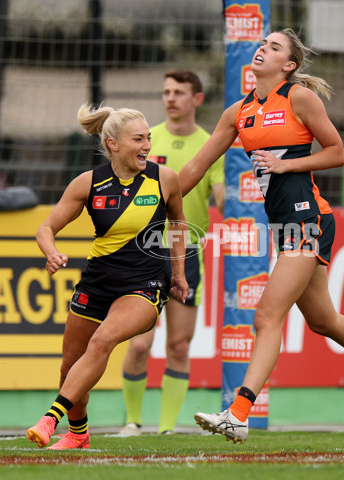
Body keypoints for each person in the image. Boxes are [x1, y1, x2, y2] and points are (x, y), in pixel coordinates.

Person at [179, 29, 344, 444]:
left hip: (309, 219)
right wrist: (159, 199)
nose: (263, 48)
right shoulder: (237, 112)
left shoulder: (298, 98)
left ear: (289, 65)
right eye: (263, 44)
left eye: (274, 47)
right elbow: (195, 169)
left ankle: (238, 414)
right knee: (323, 321)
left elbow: (337, 152)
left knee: (266, 316)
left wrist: (286, 167)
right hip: (285, 224)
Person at [26, 103, 189, 449]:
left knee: (103, 341)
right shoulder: (88, 183)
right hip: (97, 283)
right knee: (70, 366)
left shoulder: (165, 179)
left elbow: (177, 224)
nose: (147, 145)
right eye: (138, 139)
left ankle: (50, 418)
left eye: (148, 138)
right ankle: (78, 433)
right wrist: (51, 252)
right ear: (113, 144)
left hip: (144, 286)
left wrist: (178, 272)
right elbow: (46, 228)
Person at [119, 70, 224, 436]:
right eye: (165, 91)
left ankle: (165, 429)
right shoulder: (147, 141)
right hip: (144, 249)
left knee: (179, 345)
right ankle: (132, 421)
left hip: (188, 252)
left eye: (178, 92)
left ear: (197, 99)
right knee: (138, 344)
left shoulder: (212, 145)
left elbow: (225, 198)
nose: (170, 98)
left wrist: (240, 198)